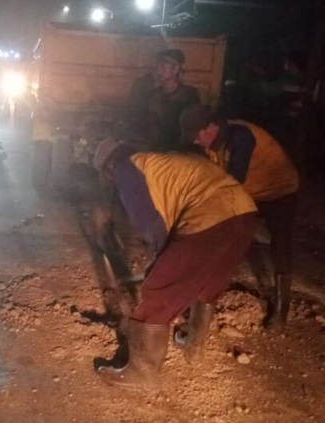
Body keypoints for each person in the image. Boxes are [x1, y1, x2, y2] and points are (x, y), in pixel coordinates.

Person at [92, 139, 257, 389]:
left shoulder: (127, 170)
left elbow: (153, 225)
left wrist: (162, 264)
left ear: (108, 168)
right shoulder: (157, 162)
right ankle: (194, 348)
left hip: (210, 216)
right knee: (208, 283)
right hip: (245, 213)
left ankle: (142, 373)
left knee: (159, 288)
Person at [180, 104, 300, 331]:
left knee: (281, 245)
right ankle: (203, 294)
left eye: (197, 134)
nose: (195, 140)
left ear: (211, 127)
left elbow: (233, 182)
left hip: (280, 189)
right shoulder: (211, 144)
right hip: (252, 190)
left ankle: (281, 310)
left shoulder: (240, 136)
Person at [133, 49, 200, 152]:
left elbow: (195, 127)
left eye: (163, 66)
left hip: (181, 152)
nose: (159, 70)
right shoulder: (154, 95)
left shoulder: (189, 95)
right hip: (157, 151)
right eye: (158, 65)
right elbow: (147, 126)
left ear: (176, 68)